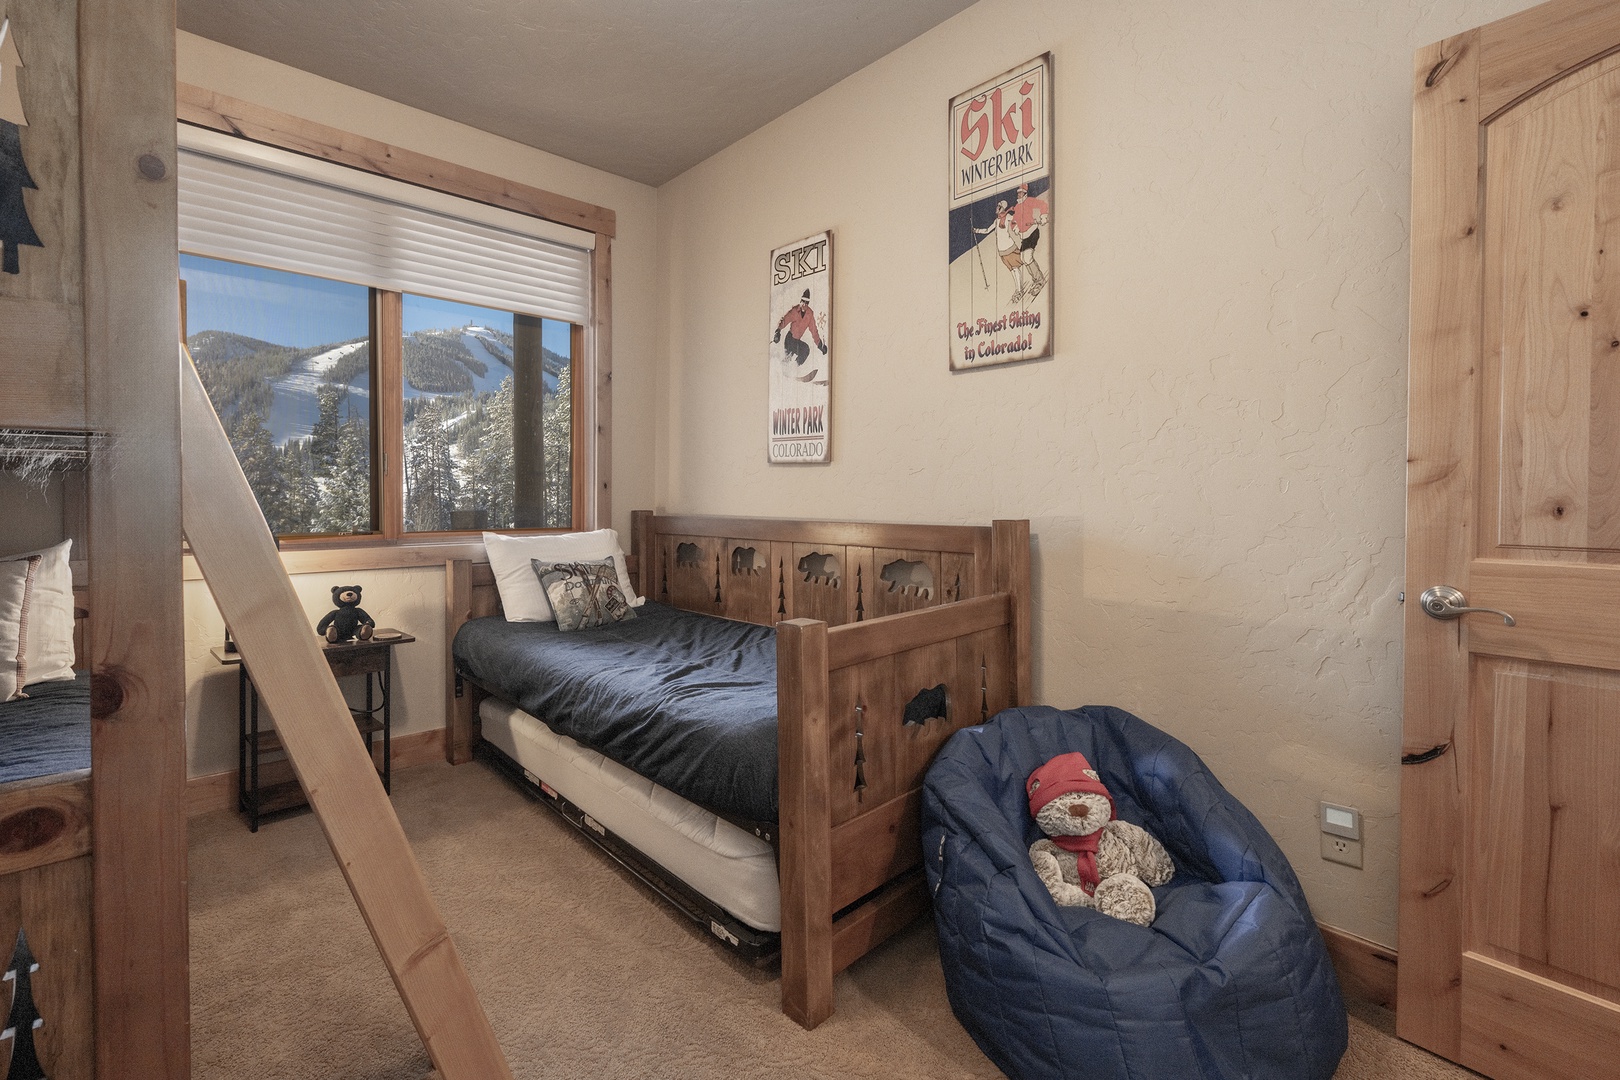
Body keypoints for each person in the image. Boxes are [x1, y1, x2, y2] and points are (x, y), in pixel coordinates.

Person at [973, 199, 1025, 303]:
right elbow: (988, 230)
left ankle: (1020, 290)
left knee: (1015, 269)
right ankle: (1018, 289)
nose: (996, 208)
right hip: (1002, 251)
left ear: (1002, 208)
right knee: (1012, 270)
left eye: (998, 206)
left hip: (1010, 247)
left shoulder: (1008, 217)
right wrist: (977, 230)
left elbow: (1017, 221)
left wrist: (1018, 229)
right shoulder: (997, 220)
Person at [1010, 182, 1050, 301]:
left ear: (1025, 193)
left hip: (1032, 232)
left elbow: (1043, 204)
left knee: (1027, 257)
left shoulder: (1029, 201)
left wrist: (1043, 216)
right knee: (1023, 258)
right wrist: (1015, 228)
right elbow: (1013, 221)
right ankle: (1036, 280)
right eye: (1018, 193)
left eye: (1021, 193)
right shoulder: (1017, 207)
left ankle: (1039, 280)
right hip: (1024, 236)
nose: (1019, 195)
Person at [773, 289, 827, 367]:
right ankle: (781, 368)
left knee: (805, 350)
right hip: (789, 340)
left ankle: (794, 367)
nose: (804, 304)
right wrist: (778, 331)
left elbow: (814, 331)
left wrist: (820, 345)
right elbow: (784, 320)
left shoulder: (809, 314)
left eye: (807, 302)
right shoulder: (795, 311)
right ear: (800, 301)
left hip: (796, 342)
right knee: (788, 358)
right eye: (803, 301)